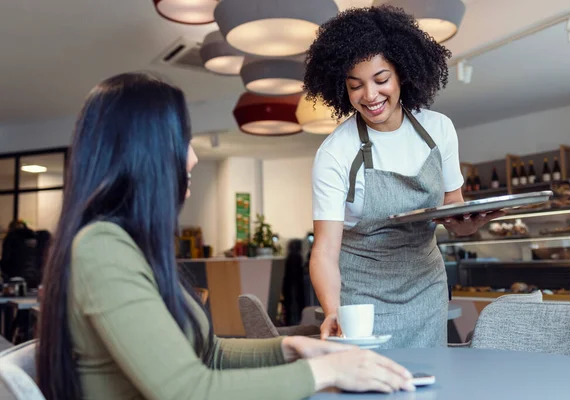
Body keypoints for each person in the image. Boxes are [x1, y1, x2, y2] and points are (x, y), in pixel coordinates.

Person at [36, 73, 416, 400]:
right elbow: (190, 391)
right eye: (183, 141)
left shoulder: (126, 247)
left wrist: (290, 348)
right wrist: (329, 373)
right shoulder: (102, 249)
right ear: (144, 153)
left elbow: (210, 355)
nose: (193, 158)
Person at [304, 6, 503, 349]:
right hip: (362, 296)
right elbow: (324, 250)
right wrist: (333, 311)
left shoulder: (438, 129)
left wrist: (467, 225)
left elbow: (451, 208)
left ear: (403, 74)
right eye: (356, 86)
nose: (370, 95)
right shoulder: (336, 152)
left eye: (381, 80)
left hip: (426, 287)